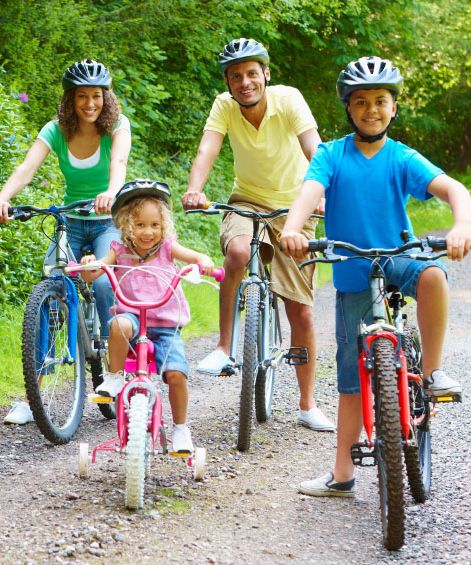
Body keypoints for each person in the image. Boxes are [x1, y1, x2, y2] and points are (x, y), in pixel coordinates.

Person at [280, 55, 471, 496]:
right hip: (351, 269)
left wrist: (460, 224)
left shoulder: (401, 157)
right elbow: (309, 191)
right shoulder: (331, 154)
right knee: (350, 380)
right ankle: (342, 476)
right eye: (361, 101)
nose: (371, 109)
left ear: (393, 107)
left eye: (380, 101)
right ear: (349, 108)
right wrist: (293, 228)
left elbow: (453, 189)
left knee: (434, 277)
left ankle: (434, 371)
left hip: (398, 256)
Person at [182, 38, 334, 432]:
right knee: (236, 252)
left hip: (296, 206)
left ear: (266, 74)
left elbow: (314, 150)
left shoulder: (288, 99)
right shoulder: (224, 106)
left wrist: (320, 194)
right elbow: (207, 150)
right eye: (236, 76)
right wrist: (195, 188)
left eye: (252, 73)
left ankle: (306, 403)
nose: (245, 82)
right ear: (229, 83)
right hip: (246, 200)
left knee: (299, 310)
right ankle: (223, 347)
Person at [1, 58, 131, 425]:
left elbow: (119, 164)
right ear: (70, 100)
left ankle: (115, 375)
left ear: (106, 98)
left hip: (107, 221)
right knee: (49, 290)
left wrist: (110, 191)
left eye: (96, 96)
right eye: (81, 97)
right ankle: (32, 398)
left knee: (104, 283)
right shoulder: (56, 130)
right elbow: (28, 168)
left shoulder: (117, 127)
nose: (90, 104)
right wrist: (4, 196)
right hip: (70, 222)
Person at [80, 179, 215, 452]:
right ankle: (115, 377)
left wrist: (203, 261)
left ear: (163, 225)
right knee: (117, 324)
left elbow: (193, 256)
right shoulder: (119, 250)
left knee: (177, 374)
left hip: (165, 324)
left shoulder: (167, 248)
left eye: (154, 225)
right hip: (132, 317)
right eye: (140, 225)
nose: (148, 232)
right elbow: (95, 273)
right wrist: (88, 266)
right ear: (127, 224)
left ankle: (180, 429)